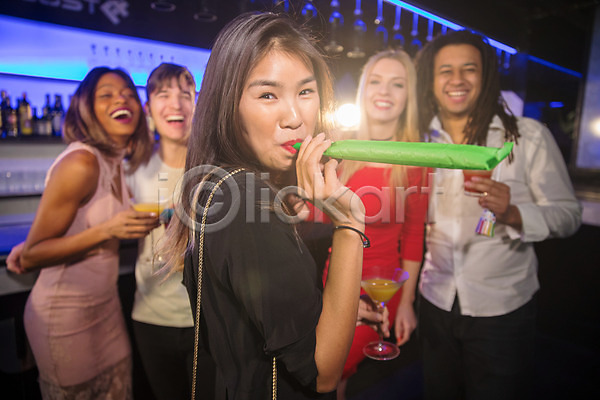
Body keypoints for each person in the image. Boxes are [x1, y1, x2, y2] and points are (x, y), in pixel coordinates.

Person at [160, 12, 366, 399]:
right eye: (267, 95)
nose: (295, 118)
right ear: (228, 106)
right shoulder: (244, 201)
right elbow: (323, 372)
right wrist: (350, 224)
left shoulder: (219, 185)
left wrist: (334, 306)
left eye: (305, 92)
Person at [415, 30, 582, 400]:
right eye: (445, 70)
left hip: (502, 308)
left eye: (469, 69)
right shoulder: (419, 142)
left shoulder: (526, 136)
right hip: (434, 299)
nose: (457, 79)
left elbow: (569, 215)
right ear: (431, 79)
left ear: (486, 75)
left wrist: (513, 213)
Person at [6, 67, 157, 398]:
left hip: (106, 308)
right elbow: (32, 257)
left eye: (129, 94)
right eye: (107, 95)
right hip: (65, 317)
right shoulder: (81, 162)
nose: (122, 100)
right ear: (86, 108)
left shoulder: (115, 162)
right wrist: (108, 229)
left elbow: (65, 229)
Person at [319, 49, 428, 398]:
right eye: (376, 81)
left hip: (380, 287)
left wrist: (407, 302)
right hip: (334, 277)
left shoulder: (417, 158)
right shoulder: (340, 147)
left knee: (331, 370)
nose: (384, 91)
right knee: (326, 374)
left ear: (408, 96)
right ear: (364, 89)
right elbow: (316, 214)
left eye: (397, 84)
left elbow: (414, 235)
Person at [125, 62, 215, 399]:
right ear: (148, 108)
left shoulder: (216, 168)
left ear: (197, 103)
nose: (175, 104)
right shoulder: (132, 169)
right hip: (151, 315)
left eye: (185, 95)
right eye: (163, 95)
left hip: (208, 318)